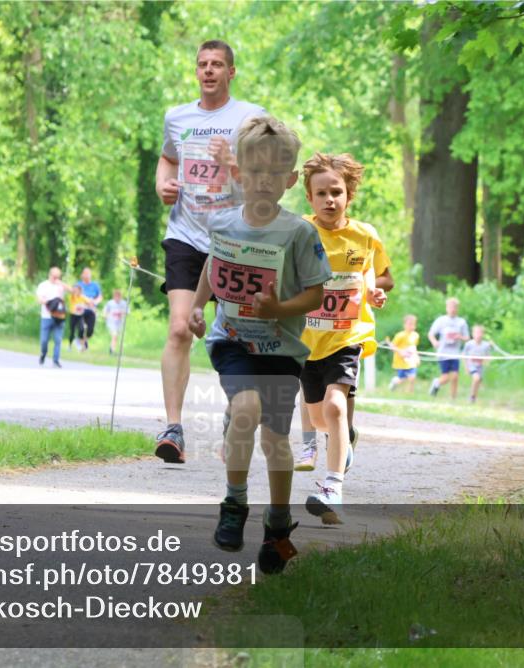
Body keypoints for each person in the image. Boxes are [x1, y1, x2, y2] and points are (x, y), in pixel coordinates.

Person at [188, 115, 330, 573]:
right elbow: (213, 264)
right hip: (232, 341)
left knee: (275, 439)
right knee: (246, 409)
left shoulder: (299, 233)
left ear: (290, 178)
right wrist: (197, 305)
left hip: (281, 349)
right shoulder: (224, 223)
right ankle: (234, 503)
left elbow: (316, 293)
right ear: (238, 174)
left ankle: (278, 524)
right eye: (255, 171)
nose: (264, 180)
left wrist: (279, 308)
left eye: (274, 172)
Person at [153, 39, 268, 463]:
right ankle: (173, 428)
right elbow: (167, 158)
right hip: (186, 235)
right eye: (202, 64)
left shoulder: (251, 117)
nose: (208, 70)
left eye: (217, 64)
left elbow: (267, 179)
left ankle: (234, 419)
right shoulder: (176, 117)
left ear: (231, 72)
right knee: (179, 328)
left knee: (236, 336)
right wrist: (162, 185)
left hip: (236, 238)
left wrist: (233, 163)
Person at [292, 152, 392, 524]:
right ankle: (343, 438)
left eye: (336, 192)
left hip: (347, 335)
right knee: (320, 418)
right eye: (321, 193)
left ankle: (332, 488)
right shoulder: (297, 232)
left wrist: (375, 291)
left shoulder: (364, 235)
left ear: (348, 195)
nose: (329, 200)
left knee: (335, 406)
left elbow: (381, 275)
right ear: (309, 197)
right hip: (307, 339)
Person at [428, 297, 470, 399]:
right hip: (443, 353)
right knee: (446, 377)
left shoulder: (461, 322)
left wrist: (460, 337)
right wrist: (434, 342)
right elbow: (431, 334)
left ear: (457, 308)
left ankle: (453, 398)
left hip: (455, 353)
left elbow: (467, 338)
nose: (452, 309)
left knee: (455, 376)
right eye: (450, 307)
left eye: (455, 307)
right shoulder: (441, 320)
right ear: (446, 308)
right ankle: (437, 383)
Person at [36, 266, 72, 368]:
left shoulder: (60, 285)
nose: (56, 278)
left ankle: (55, 360)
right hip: (46, 316)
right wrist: (49, 303)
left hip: (59, 317)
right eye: (54, 276)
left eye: (58, 276)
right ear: (50, 275)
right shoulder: (43, 285)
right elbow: (39, 299)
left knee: (58, 339)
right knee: (44, 340)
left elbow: (72, 290)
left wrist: (61, 283)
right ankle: (43, 354)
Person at [388, 314, 420, 393]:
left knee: (412, 377)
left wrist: (417, 357)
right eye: (409, 324)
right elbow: (392, 346)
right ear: (404, 325)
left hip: (411, 360)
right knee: (402, 378)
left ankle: (410, 393)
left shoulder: (415, 335)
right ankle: (395, 382)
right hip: (401, 361)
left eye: (413, 324)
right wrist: (401, 352)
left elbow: (414, 347)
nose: (411, 326)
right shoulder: (400, 335)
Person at [462, 325, 493, 403]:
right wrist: (466, 367)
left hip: (480, 367)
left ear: (483, 334)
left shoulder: (486, 345)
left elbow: (488, 356)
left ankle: (473, 397)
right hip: (471, 365)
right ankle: (472, 397)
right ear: (473, 334)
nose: (478, 335)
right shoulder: (469, 344)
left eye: (480, 333)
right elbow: (464, 356)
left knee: (477, 382)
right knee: (476, 378)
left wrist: (487, 362)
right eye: (476, 333)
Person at [75, 267, 103, 348]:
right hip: (81, 309)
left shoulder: (95, 285)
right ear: (82, 275)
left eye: (88, 273)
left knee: (90, 331)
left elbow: (100, 297)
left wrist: (95, 302)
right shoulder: (78, 285)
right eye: (85, 273)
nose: (87, 275)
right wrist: (86, 301)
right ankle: (81, 344)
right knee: (81, 328)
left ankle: (83, 341)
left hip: (91, 309)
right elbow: (75, 296)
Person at [104, 289, 129, 354]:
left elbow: (127, 311)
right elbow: (105, 311)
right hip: (111, 322)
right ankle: (112, 350)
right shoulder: (110, 303)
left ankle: (114, 348)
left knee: (119, 337)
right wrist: (106, 317)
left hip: (120, 323)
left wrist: (122, 313)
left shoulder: (123, 303)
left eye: (119, 296)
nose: (117, 298)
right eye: (116, 296)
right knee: (114, 336)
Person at [66, 284, 90, 351]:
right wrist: (73, 290)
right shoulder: (72, 296)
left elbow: (89, 302)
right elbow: (69, 289)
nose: (77, 292)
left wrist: (85, 306)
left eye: (78, 290)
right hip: (73, 315)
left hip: (80, 316)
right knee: (72, 331)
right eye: (75, 290)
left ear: (80, 291)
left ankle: (80, 344)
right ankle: (70, 345)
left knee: (81, 329)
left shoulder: (82, 297)